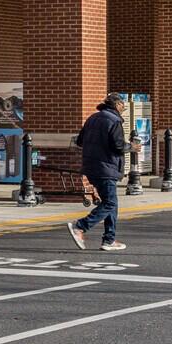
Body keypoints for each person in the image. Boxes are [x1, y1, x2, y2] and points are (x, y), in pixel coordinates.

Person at [66, 92, 129, 252]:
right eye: (123, 104)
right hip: (106, 167)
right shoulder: (114, 121)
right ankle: (80, 227)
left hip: (91, 167)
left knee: (110, 204)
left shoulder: (92, 118)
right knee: (110, 203)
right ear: (117, 105)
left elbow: (80, 141)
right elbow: (119, 146)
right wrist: (132, 147)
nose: (124, 107)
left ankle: (109, 239)